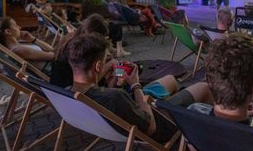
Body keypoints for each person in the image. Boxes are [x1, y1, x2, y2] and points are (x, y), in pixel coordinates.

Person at [67, 33, 214, 143]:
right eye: (106, 59)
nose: (110, 63)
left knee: (170, 79)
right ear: (98, 66)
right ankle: (212, 137)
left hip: (132, 114)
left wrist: (112, 83)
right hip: (160, 125)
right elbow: (151, 127)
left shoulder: (69, 93)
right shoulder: (114, 97)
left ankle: (176, 103)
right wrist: (135, 84)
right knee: (203, 87)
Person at [50, 14, 129, 88]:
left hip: (60, 88)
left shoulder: (72, 40)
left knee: (116, 66)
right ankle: (122, 82)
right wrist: (111, 64)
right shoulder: (81, 48)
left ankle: (121, 80)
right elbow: (89, 78)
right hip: (73, 88)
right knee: (115, 66)